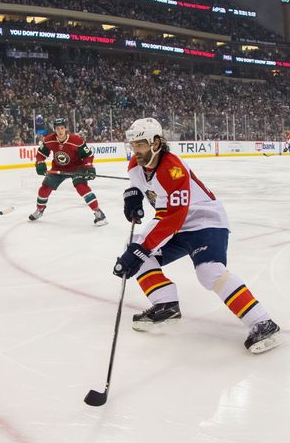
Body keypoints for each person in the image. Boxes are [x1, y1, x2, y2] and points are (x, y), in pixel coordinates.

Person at [113, 118, 281, 354]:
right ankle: (166, 303)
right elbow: (138, 184)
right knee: (134, 247)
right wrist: (132, 196)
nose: (135, 150)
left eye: (140, 144)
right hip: (176, 226)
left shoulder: (174, 169)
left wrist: (141, 250)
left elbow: (172, 218)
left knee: (209, 272)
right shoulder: (135, 163)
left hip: (205, 222)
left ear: (156, 143)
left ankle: (262, 322)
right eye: (132, 145)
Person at [29, 118, 107, 226]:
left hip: (77, 167)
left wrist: (89, 167)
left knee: (81, 187)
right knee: (44, 188)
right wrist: (39, 162)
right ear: (54, 130)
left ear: (66, 128)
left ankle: (98, 213)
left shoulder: (76, 140)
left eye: (62, 128)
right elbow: (41, 154)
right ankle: (39, 210)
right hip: (58, 168)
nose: (60, 131)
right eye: (57, 129)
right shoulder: (49, 140)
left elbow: (87, 155)